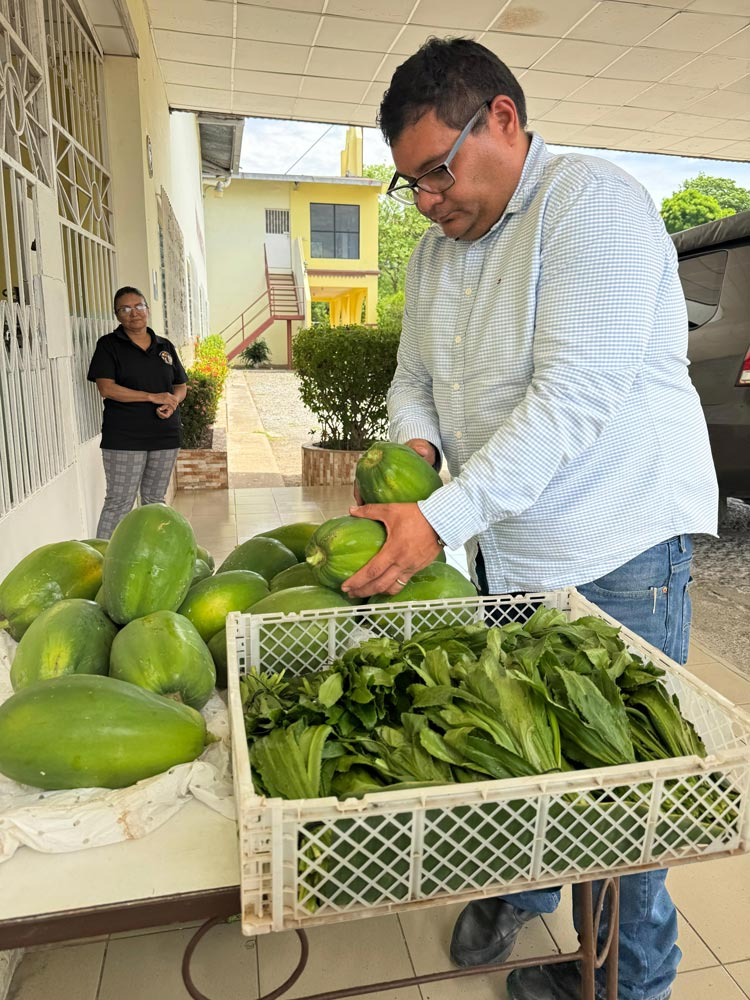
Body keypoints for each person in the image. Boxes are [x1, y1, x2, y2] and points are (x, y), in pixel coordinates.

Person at [340, 37, 718, 1000]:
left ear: (501, 120)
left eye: (438, 171)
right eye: (409, 185)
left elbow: (571, 402)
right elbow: (412, 379)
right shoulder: (435, 255)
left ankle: (628, 985)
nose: (426, 200)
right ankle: (529, 895)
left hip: (617, 546)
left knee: (623, 806)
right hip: (505, 550)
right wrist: (420, 452)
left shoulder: (590, 206)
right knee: (520, 749)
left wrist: (440, 516)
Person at [87, 286, 187, 539]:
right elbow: (107, 388)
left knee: (155, 501)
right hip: (125, 437)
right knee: (120, 502)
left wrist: (172, 401)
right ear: (117, 315)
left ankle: (153, 555)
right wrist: (152, 397)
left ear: (148, 309)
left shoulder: (164, 346)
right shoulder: (109, 345)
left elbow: (180, 385)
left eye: (139, 306)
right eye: (126, 309)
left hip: (164, 435)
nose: (134, 313)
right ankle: (101, 560)